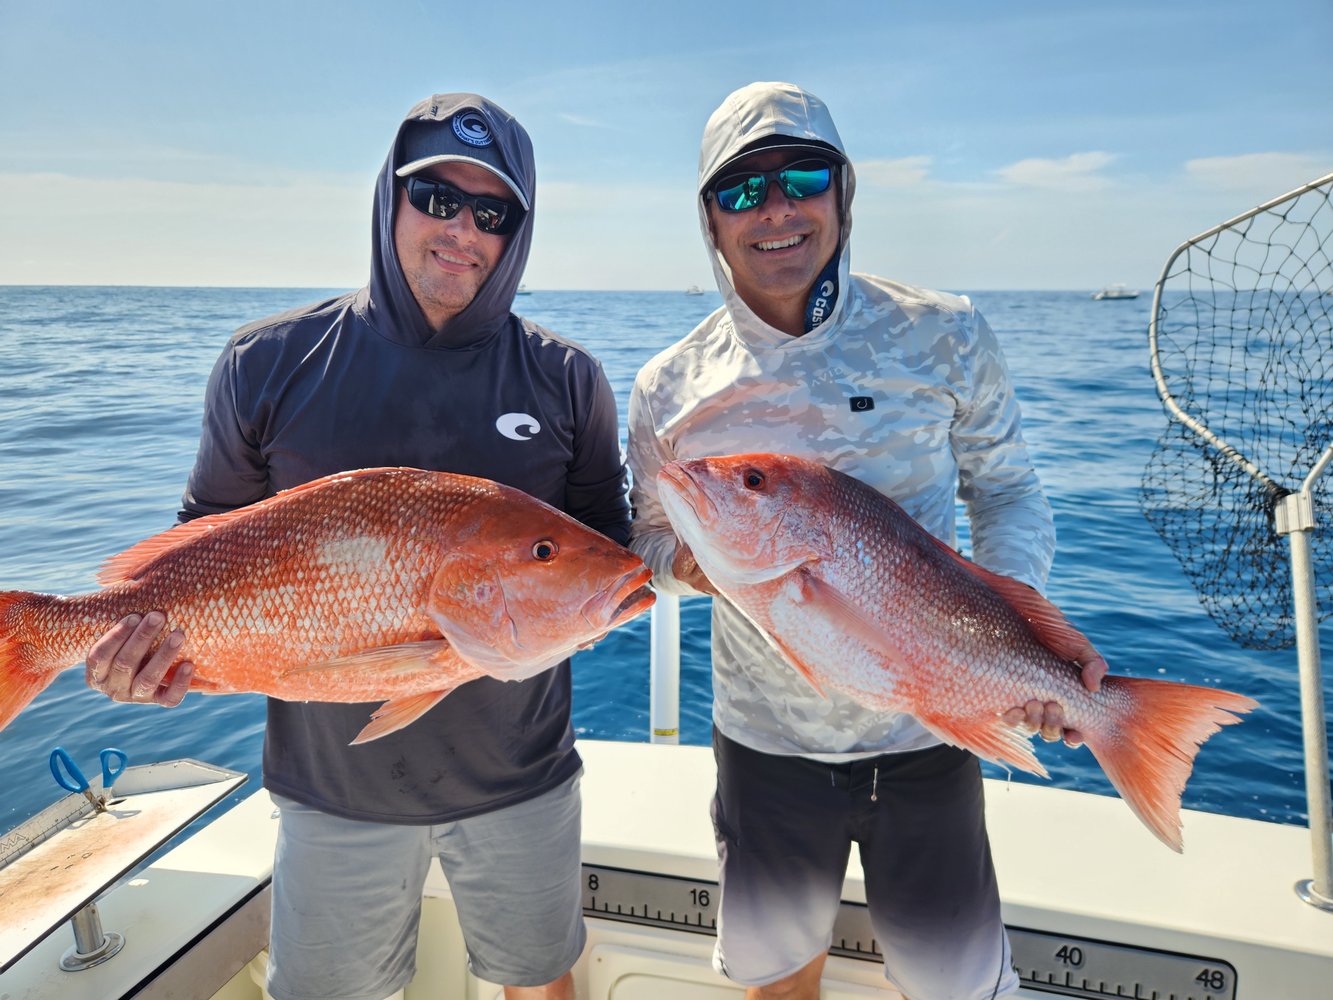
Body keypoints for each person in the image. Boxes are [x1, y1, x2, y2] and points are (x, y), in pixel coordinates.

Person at [83, 92, 630, 1000]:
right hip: (329, 793)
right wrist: (137, 651)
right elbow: (199, 546)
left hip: (523, 782)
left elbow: (604, 551)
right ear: (390, 198)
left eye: (491, 212)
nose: (461, 229)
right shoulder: (267, 362)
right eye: (436, 198)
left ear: (517, 232)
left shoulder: (567, 378)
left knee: (541, 985)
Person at [626, 81, 1108, 1000]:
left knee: (953, 986)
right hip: (767, 749)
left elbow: (1005, 487)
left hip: (931, 734)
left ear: (843, 194)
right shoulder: (668, 386)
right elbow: (647, 545)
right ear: (710, 220)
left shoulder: (944, 333)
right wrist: (696, 560)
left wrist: (1017, 638)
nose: (774, 210)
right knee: (777, 980)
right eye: (740, 191)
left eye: (801, 176)